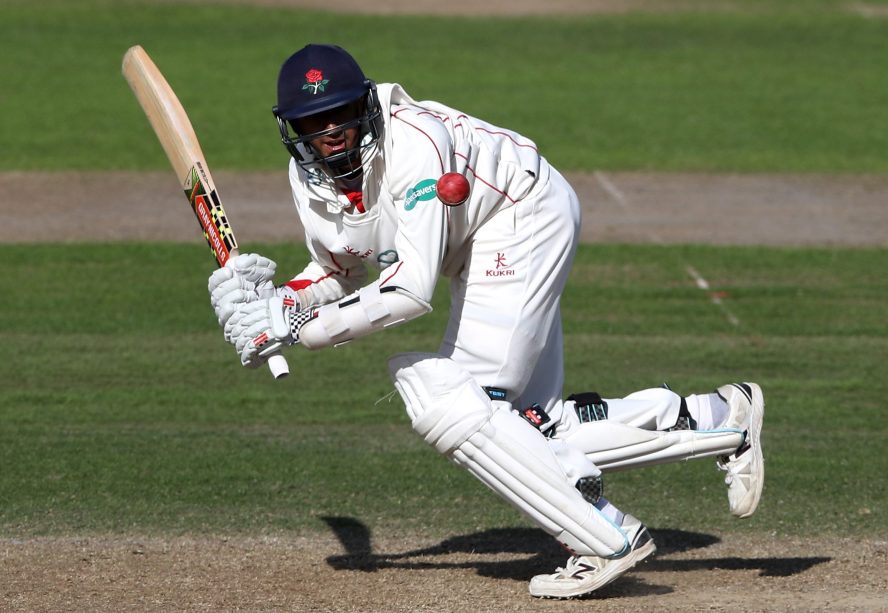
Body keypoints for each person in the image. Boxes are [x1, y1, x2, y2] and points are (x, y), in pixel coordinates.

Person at [207, 44, 765, 599]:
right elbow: (339, 268)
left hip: (521, 214)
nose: (329, 130)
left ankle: (605, 537)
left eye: (340, 112)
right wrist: (282, 301)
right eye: (312, 120)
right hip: (474, 242)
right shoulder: (307, 175)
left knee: (449, 396)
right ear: (291, 126)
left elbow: (408, 291)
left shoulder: (416, 144)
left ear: (365, 106)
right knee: (530, 426)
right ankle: (718, 416)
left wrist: (298, 328)